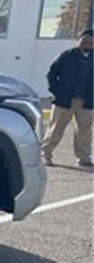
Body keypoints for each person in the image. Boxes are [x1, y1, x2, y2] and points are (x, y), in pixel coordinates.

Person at [42, 28, 94, 168]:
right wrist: (57, 92)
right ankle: (45, 154)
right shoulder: (67, 56)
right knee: (55, 129)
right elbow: (52, 74)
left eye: (90, 41)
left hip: (87, 102)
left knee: (84, 133)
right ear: (78, 40)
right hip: (64, 100)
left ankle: (84, 159)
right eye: (84, 40)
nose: (87, 43)